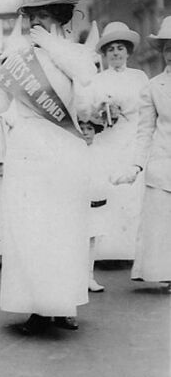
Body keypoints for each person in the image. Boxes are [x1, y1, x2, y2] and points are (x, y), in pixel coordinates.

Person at [0, 0, 101, 334]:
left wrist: (50, 43)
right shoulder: (15, 59)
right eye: (32, 16)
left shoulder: (75, 54)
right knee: (30, 229)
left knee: (63, 229)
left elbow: (86, 86)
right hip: (27, 151)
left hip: (64, 150)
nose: (36, 23)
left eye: (44, 16)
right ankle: (34, 305)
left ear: (61, 18)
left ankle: (63, 304)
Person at [112, 16, 171, 292]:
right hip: (162, 164)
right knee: (161, 224)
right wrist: (135, 166)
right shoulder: (153, 86)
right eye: (167, 48)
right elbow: (145, 131)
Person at [89, 22, 149, 260]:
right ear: (105, 53)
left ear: (127, 52)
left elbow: (147, 109)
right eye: (111, 49)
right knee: (110, 189)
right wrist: (102, 111)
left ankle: (131, 250)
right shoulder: (98, 80)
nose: (116, 53)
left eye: (120, 49)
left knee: (133, 193)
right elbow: (90, 111)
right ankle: (108, 251)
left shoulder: (139, 77)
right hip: (108, 138)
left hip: (133, 137)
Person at [81, 121, 109, 292]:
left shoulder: (100, 152)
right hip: (77, 205)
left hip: (95, 204)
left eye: (89, 129)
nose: (85, 132)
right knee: (77, 241)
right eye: (82, 128)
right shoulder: (73, 151)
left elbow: (107, 174)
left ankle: (88, 277)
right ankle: (75, 278)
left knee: (91, 241)